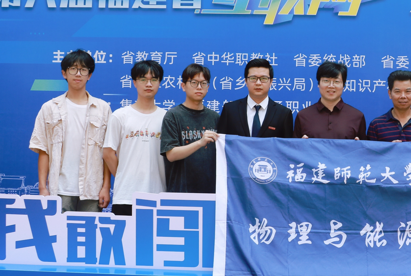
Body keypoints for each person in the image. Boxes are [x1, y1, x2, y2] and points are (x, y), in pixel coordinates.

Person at [29, 49, 111, 212]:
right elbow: (43, 150)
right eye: (73, 69)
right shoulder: (49, 108)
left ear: (90, 75)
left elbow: (107, 152)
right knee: (59, 229)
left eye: (83, 69)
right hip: (59, 189)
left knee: (89, 229)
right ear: (64, 73)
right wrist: (42, 187)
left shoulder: (103, 108)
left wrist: (106, 187)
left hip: (92, 190)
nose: (78, 74)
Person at [102, 60, 167, 215]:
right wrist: (124, 176)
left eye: (154, 79)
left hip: (157, 195)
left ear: (160, 83)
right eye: (143, 79)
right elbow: (108, 153)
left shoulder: (167, 117)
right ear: (134, 82)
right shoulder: (120, 116)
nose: (148, 84)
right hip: (126, 196)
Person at [160, 63, 219, 194]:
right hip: (180, 192)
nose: (199, 87)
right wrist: (200, 142)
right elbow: (171, 155)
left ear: (208, 87)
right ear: (183, 86)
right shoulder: (173, 116)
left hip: (210, 193)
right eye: (194, 82)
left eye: (203, 83)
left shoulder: (215, 117)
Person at [217, 58, 294, 138]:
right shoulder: (230, 110)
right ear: (246, 81)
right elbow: (221, 141)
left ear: (271, 82)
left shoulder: (283, 114)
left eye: (263, 78)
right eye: (253, 78)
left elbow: (287, 144)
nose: (258, 83)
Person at [294, 61, 366, 139]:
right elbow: (293, 146)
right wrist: (301, 144)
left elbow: (364, 146)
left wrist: (358, 145)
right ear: (318, 84)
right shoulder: (303, 116)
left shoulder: (357, 116)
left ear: (343, 85)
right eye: (326, 81)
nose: (331, 86)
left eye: (336, 81)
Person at [367, 70, 411, 142]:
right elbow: (370, 149)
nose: (403, 96)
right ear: (390, 94)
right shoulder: (376, 124)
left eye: (407, 91)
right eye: (397, 91)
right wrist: (390, 147)